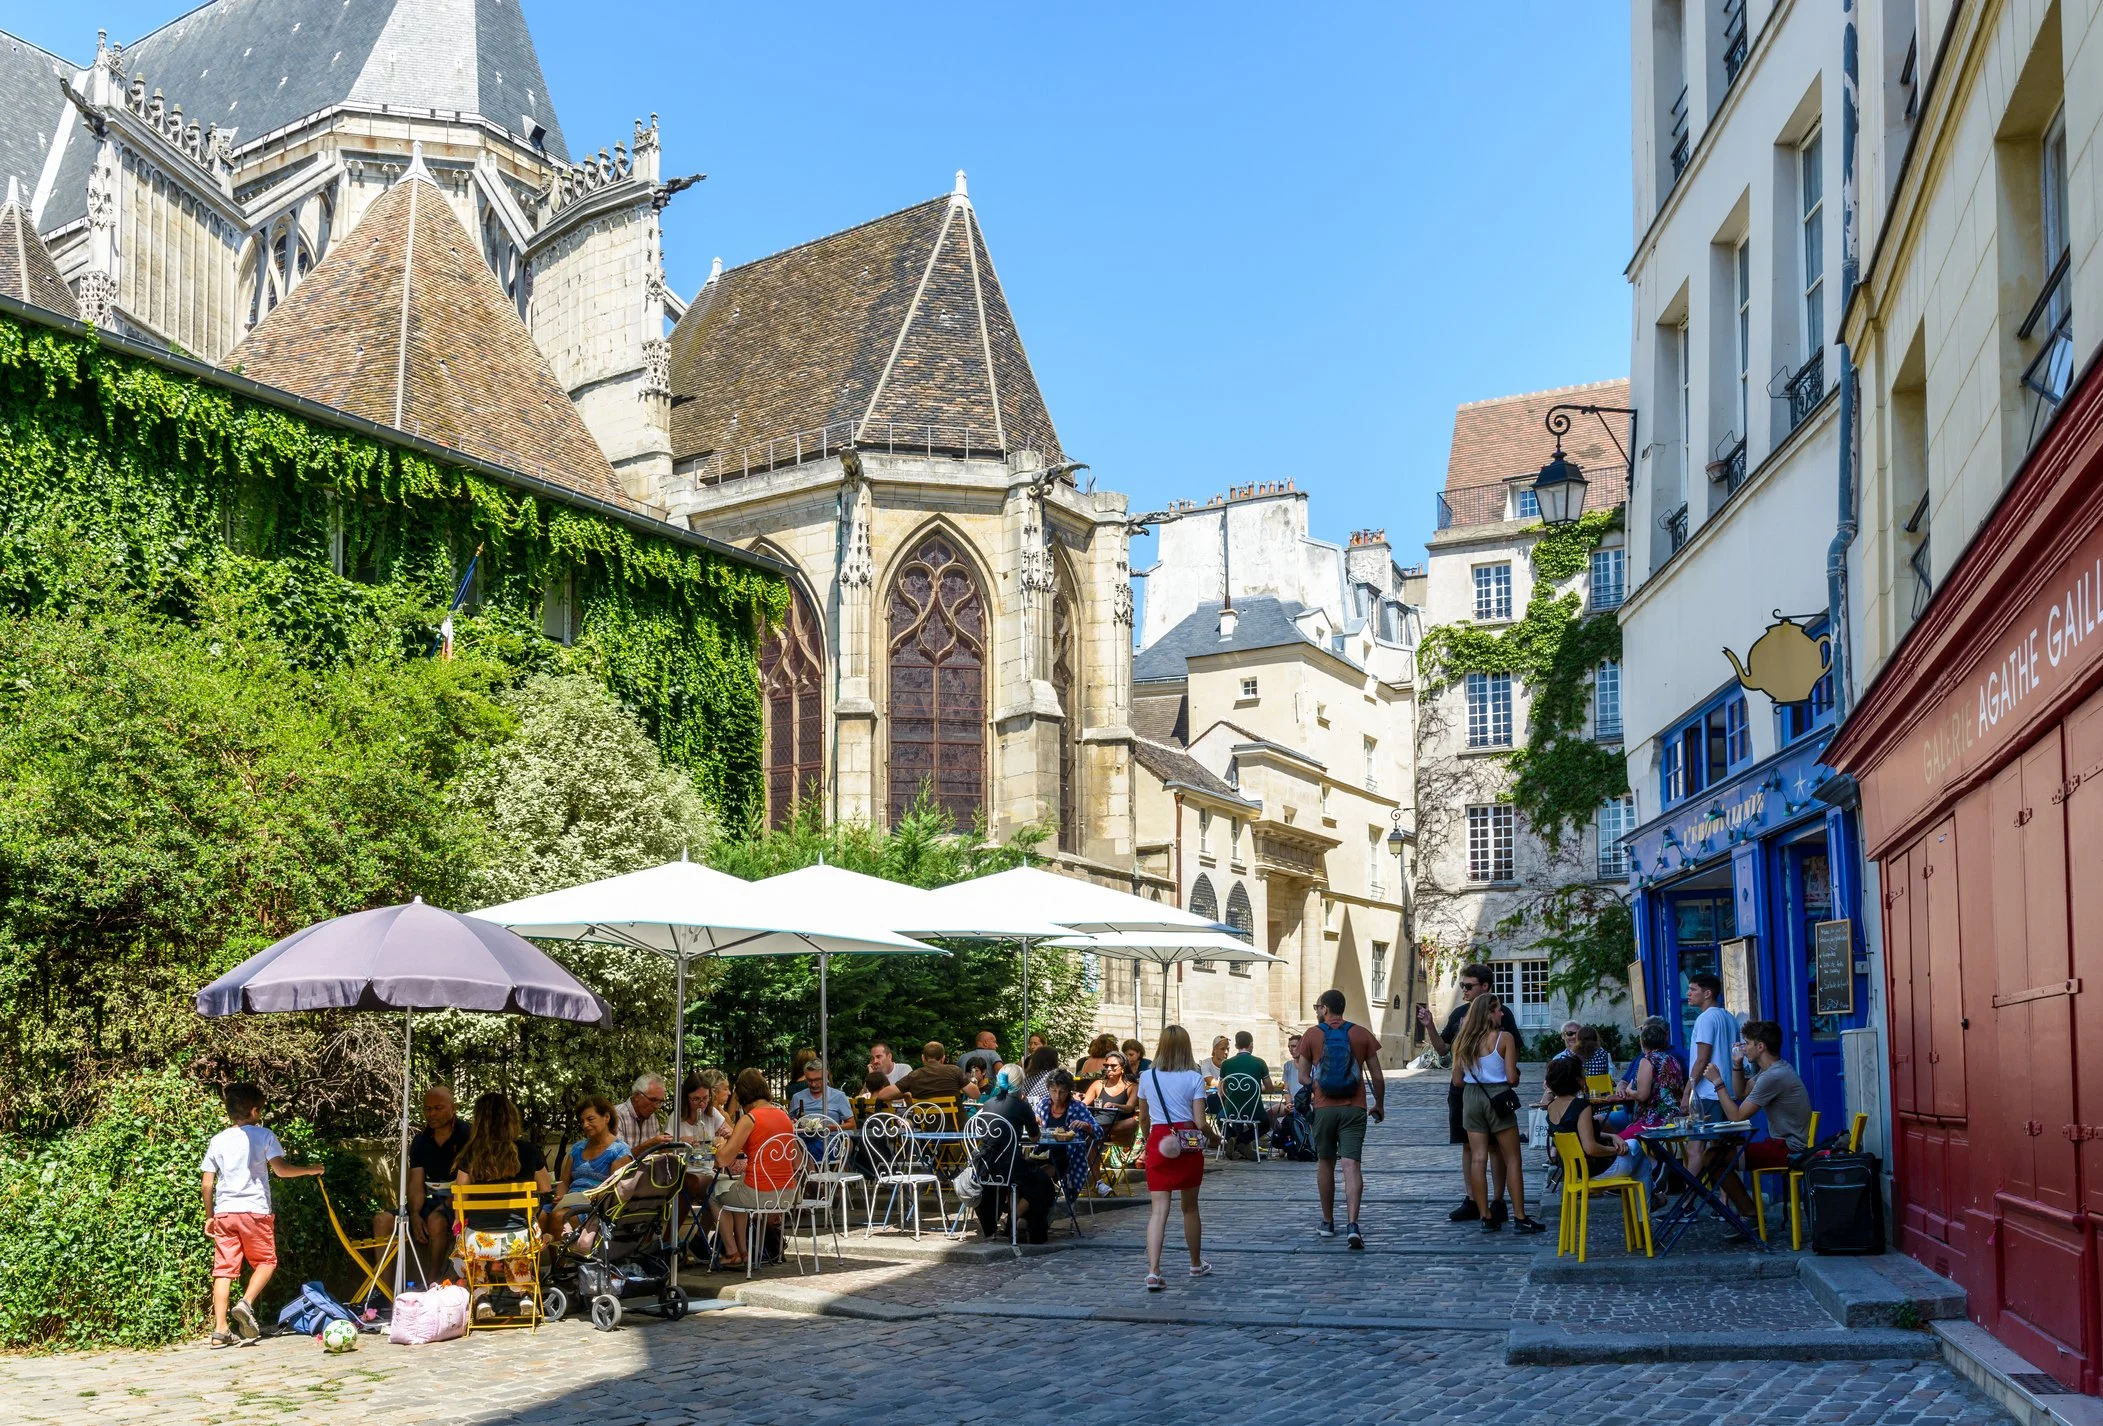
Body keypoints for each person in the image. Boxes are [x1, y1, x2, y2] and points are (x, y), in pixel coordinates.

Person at [200, 1083, 323, 1347]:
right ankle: (246, 1302)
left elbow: (207, 1183)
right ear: (255, 1111)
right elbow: (281, 1170)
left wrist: (210, 1215)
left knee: (224, 1270)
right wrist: (311, 1169)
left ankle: (220, 1331)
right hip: (255, 1211)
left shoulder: (217, 1140)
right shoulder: (265, 1135)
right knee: (266, 1261)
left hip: (224, 1213)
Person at [1417, 963, 1520, 1223]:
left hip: (1479, 1092)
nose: (1464, 990)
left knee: (1491, 1150)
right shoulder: (1459, 1015)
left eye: (1468, 986)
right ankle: (1473, 1199)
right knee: (1470, 1147)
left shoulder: (1501, 1013)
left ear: (1484, 987)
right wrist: (1429, 1026)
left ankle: (1495, 1202)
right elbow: (1442, 1050)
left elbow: (1510, 1051)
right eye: (1462, 985)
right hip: (1469, 1092)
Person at [1296, 988, 1385, 1248]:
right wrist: (1379, 1104)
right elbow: (1377, 1077)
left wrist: (1317, 1086)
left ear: (1325, 1008)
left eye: (1317, 1007)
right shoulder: (1361, 1033)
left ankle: (1327, 1221)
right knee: (1351, 1165)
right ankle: (1353, 1224)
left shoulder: (1312, 1035)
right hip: (1354, 1108)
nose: (1316, 1011)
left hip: (1324, 1109)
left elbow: (1302, 1077)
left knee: (1325, 1162)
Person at [1701, 1019, 1814, 1214]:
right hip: (1783, 1144)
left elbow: (1737, 1117)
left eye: (1747, 1043)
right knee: (1717, 1151)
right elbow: (1741, 1092)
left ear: (1760, 1046)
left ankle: (1749, 1215)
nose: (1744, 1048)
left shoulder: (1773, 1076)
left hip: (1788, 1149)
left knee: (1713, 1158)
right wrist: (1737, 1065)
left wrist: (1717, 1082)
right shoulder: (1772, 1070)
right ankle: (1748, 1213)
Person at [1453, 994, 1543, 1234]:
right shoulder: (1504, 1038)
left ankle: (1485, 1216)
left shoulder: (1463, 1040)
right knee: (1512, 1158)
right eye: (1498, 1010)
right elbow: (1512, 1078)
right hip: (1498, 1097)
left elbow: (1457, 1080)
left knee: (1478, 1158)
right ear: (1488, 1013)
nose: (1502, 1014)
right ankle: (1520, 1216)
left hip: (1471, 1098)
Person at [450, 1093, 551, 1305]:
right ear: (511, 1119)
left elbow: (460, 1193)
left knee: (464, 1237)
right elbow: (545, 1187)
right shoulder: (528, 1151)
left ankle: (480, 1297)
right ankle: (524, 1294)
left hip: (477, 1242)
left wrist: (459, 1222)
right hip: (519, 1239)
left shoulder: (470, 1155)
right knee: (521, 1233)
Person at [1137, 1024, 1211, 1290]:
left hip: (1159, 1139)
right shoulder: (1194, 1078)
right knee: (1190, 1207)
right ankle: (1195, 1263)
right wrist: (1213, 1138)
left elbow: (1143, 1117)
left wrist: (1148, 1140)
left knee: (1158, 1211)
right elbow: (1200, 1122)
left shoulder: (1147, 1077)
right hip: (1187, 1141)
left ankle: (1154, 1270)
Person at [710, 1069, 798, 1267]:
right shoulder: (784, 1116)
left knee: (714, 1193)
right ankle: (743, 1251)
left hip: (758, 1195)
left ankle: (732, 1252)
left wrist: (720, 1145)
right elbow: (797, 1162)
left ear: (742, 1094)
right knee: (738, 1185)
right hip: (786, 1195)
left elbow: (723, 1160)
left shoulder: (750, 1119)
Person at [377, 1085, 469, 1273]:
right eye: (427, 1109)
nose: (432, 1114)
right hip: (430, 1201)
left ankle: (432, 1281)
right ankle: (383, 1291)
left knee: (436, 1221)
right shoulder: (421, 1141)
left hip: (461, 1202)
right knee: (381, 1221)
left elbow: (470, 1182)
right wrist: (415, 1214)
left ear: (453, 1108)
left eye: (438, 1108)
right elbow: (416, 1184)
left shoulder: (469, 1135)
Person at [968, 1075, 1052, 1243]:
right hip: (1008, 1166)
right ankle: (1014, 1220)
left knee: (1027, 1179)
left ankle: (1009, 1223)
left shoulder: (988, 1104)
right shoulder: (1021, 1105)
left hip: (985, 1166)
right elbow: (1035, 1138)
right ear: (1020, 1085)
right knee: (1043, 1182)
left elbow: (980, 1132)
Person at [1539, 1057, 1637, 1186]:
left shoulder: (1552, 1106)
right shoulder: (1581, 1106)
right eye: (1583, 1075)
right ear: (1578, 1080)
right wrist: (1616, 1149)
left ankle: (1649, 1197)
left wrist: (1611, 1135)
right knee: (1635, 1146)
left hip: (1571, 1170)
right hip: (1592, 1170)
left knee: (1638, 1160)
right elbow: (1591, 1149)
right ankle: (1649, 1199)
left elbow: (1574, 1133)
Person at [1680, 973, 1742, 1173]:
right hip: (1727, 1091)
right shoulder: (1729, 1017)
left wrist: (1687, 1091)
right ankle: (1723, 1199)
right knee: (1721, 1150)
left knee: (1695, 1148)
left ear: (1707, 993)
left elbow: (1702, 1059)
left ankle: (1688, 1198)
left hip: (1708, 1092)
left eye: (1693, 989)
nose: (1688, 993)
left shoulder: (1705, 1018)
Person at [551, 1096, 631, 1232]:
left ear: (606, 1117)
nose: (585, 1125)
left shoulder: (620, 1151)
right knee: (540, 1216)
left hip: (596, 1206)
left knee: (559, 1217)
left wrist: (585, 1198)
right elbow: (564, 1181)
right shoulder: (578, 1148)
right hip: (569, 1202)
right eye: (582, 1121)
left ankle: (564, 1254)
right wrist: (560, 1198)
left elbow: (614, 1191)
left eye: (590, 1119)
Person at [1029, 1069, 1102, 1207]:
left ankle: (1024, 1217)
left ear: (1069, 1090)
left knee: (1037, 1177)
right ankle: (1022, 1217)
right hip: (1041, 1153)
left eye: (1062, 1091)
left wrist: (1086, 1126)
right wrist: (1034, 1121)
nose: (1057, 1096)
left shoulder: (1077, 1107)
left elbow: (1099, 1132)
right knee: (1023, 1173)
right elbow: (1033, 1128)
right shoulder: (1044, 1105)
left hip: (1068, 1157)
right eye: (1053, 1090)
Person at [1217, 1030, 1275, 1160]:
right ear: (1251, 1044)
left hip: (1231, 1111)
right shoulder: (1259, 1063)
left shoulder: (1226, 1064)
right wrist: (1256, 1089)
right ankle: (1241, 1142)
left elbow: (1220, 1091)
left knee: (1220, 1119)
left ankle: (1234, 1140)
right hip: (1253, 1111)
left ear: (1236, 1046)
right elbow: (1270, 1088)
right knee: (1265, 1123)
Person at [1625, 1017, 1688, 1131]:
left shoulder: (1647, 1060)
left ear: (1642, 1042)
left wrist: (1629, 1091)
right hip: (1676, 1119)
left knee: (1619, 1143)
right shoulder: (1673, 1059)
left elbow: (1642, 1095)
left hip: (1652, 1121)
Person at [1081, 1050, 1141, 1164]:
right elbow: (1084, 1103)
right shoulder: (1098, 1084)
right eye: (1106, 1066)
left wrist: (1116, 1105)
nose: (1108, 1069)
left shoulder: (1132, 1086)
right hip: (1097, 1125)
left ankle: (1096, 1131)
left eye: (1113, 1066)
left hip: (1117, 1130)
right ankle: (1098, 1181)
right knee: (1091, 1139)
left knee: (1132, 1122)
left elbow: (1130, 1107)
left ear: (1123, 1067)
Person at [876, 1041, 970, 1105]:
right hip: (957, 1129)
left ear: (923, 1058)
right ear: (943, 1058)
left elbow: (882, 1095)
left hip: (925, 1129)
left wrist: (905, 1093)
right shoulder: (955, 1071)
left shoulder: (914, 1076)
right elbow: (975, 1094)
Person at [787, 1060, 854, 1126]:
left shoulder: (839, 1096)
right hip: (802, 1136)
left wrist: (832, 1128)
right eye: (809, 1080)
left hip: (830, 1136)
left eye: (817, 1080)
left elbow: (852, 1125)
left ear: (826, 1075)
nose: (813, 1084)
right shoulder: (797, 1097)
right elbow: (789, 1123)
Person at [614, 1073, 671, 1150]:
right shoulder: (617, 1115)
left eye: (660, 1102)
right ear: (637, 1096)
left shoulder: (652, 1118)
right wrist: (649, 1144)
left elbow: (656, 1155)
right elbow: (619, 1159)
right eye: (653, 1100)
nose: (656, 1106)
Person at [678, 1069, 731, 1148]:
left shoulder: (712, 1112)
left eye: (705, 1098)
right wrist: (680, 1141)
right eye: (696, 1099)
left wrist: (727, 1136)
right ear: (686, 1098)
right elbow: (663, 1148)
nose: (702, 1104)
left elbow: (733, 1136)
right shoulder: (677, 1117)